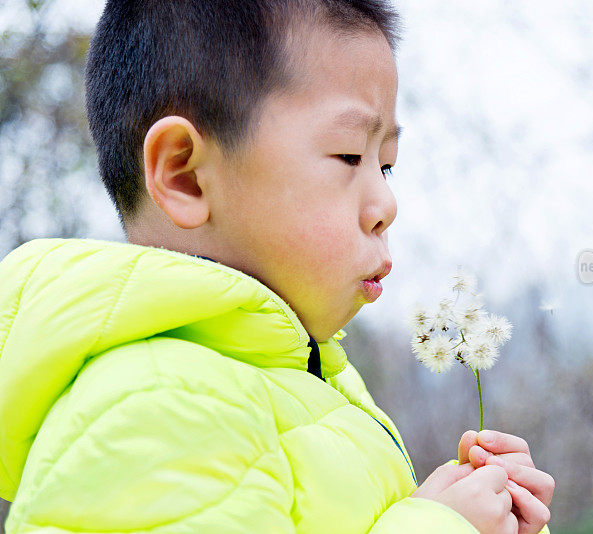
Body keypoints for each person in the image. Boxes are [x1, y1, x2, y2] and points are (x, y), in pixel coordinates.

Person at [0, 1, 554, 532]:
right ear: (185, 176)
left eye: (386, 166)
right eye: (349, 156)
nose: (386, 206)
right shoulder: (156, 408)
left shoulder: (314, 385)